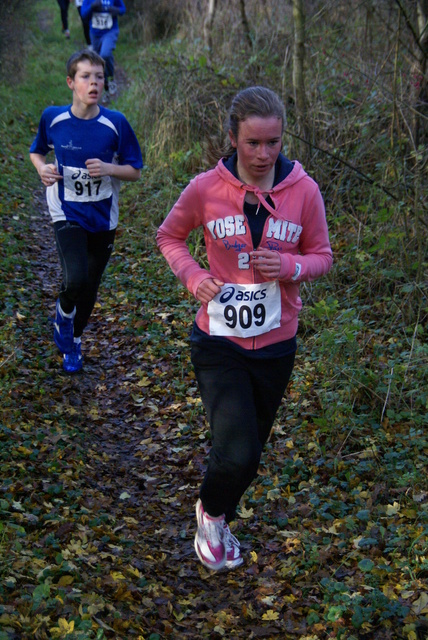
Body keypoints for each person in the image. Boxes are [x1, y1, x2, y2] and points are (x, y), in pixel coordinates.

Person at [157, 86, 333, 571]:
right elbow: (169, 235)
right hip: (218, 339)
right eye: (252, 143)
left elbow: (323, 256)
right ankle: (212, 516)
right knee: (236, 447)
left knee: (250, 451)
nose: (263, 154)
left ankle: (219, 511)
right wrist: (194, 276)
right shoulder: (205, 189)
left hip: (277, 344)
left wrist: (291, 267)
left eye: (273, 142)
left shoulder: (304, 191)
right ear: (232, 137)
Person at [29, 49, 142, 373]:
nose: (94, 83)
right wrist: (42, 168)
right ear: (70, 82)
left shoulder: (115, 123)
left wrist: (109, 167)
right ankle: (63, 315)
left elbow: (134, 170)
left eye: (99, 77)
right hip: (66, 211)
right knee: (75, 277)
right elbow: (37, 151)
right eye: (86, 77)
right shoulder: (54, 118)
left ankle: (74, 342)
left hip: (103, 217)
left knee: (90, 286)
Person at [80, 0, 126, 96]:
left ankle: (110, 79)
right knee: (98, 61)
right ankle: (105, 86)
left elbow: (123, 9)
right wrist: (92, 7)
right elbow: (83, 14)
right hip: (95, 34)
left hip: (110, 31)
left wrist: (116, 10)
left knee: (105, 54)